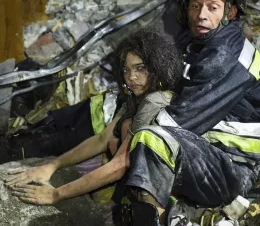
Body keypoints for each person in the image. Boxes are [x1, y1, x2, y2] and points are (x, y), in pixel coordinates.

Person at [124, 0, 260, 225]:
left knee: (151, 141)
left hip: (234, 167)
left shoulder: (223, 55)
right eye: (195, 5)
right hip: (211, 152)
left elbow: (175, 123)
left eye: (212, 7)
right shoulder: (198, 43)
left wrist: (130, 139)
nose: (201, 15)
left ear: (230, 11)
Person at [4, 29, 183, 208]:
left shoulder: (156, 100)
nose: (131, 77)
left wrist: (55, 194)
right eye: (126, 70)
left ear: (159, 64)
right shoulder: (138, 97)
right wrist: (52, 166)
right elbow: (102, 139)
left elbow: (121, 163)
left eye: (140, 68)